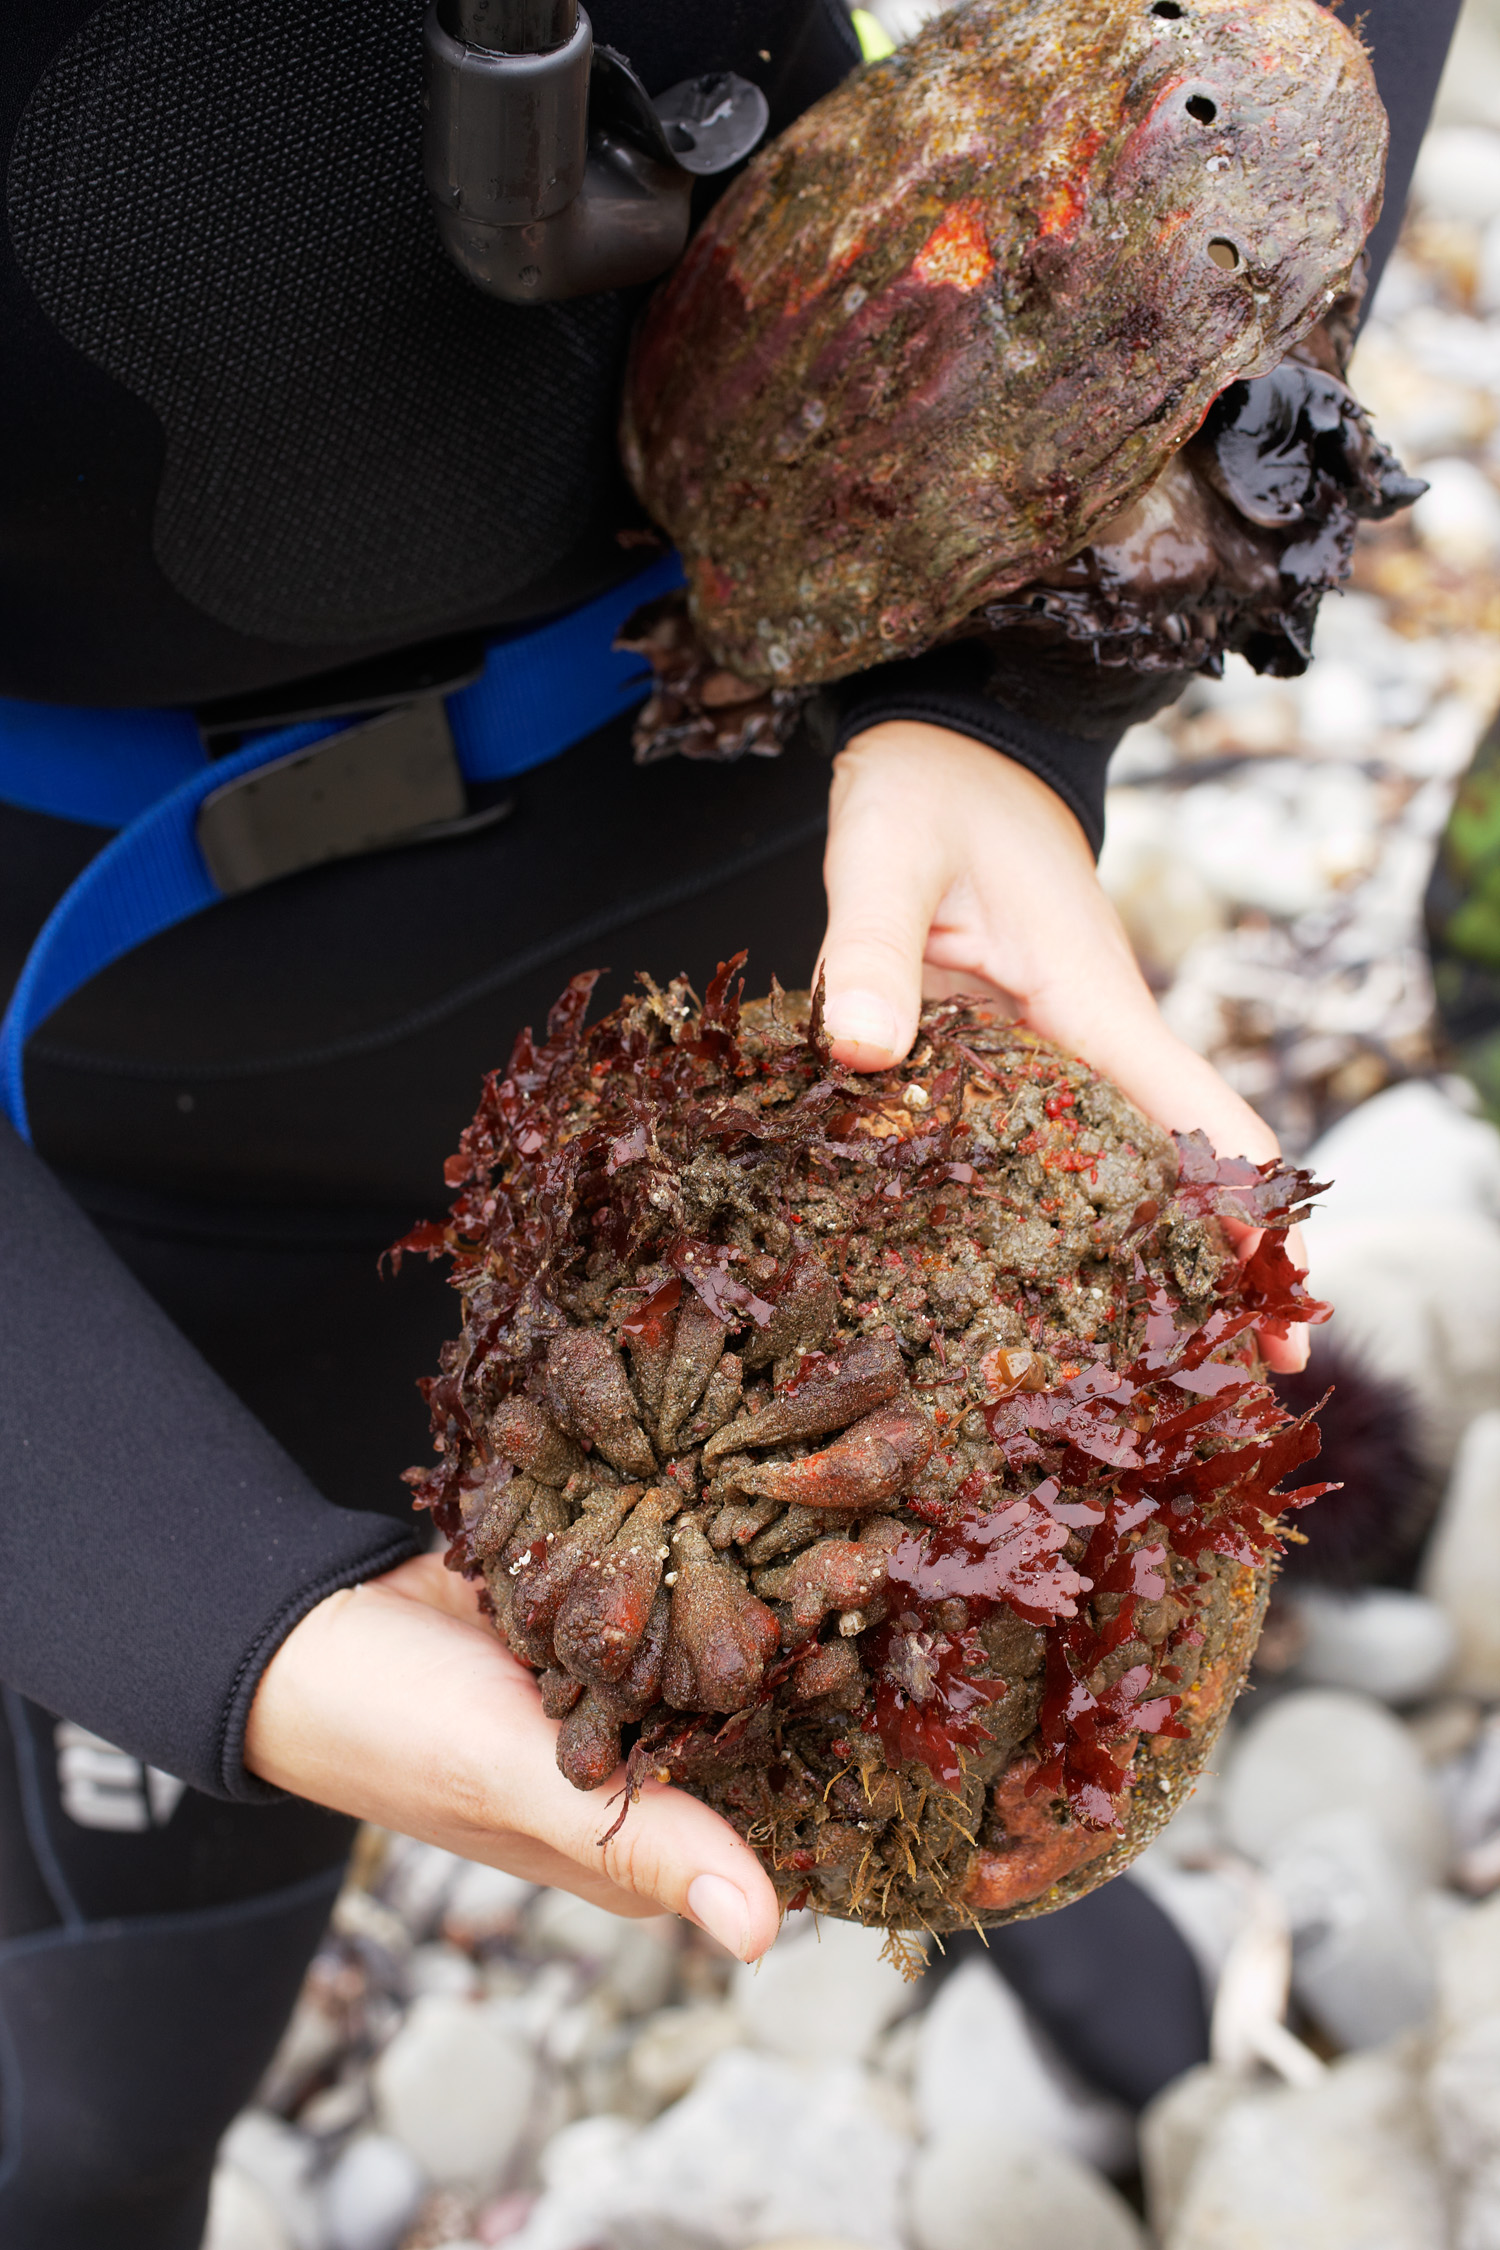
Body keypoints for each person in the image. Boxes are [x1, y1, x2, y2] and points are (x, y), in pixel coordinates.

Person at [0, 3, 1462, 2242]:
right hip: (121, 1118)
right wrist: (207, 1617)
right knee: (88, 2129)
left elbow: (1235, 70)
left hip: (815, 806)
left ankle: (958, 1799)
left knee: (968, 1605)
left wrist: (1018, 682)